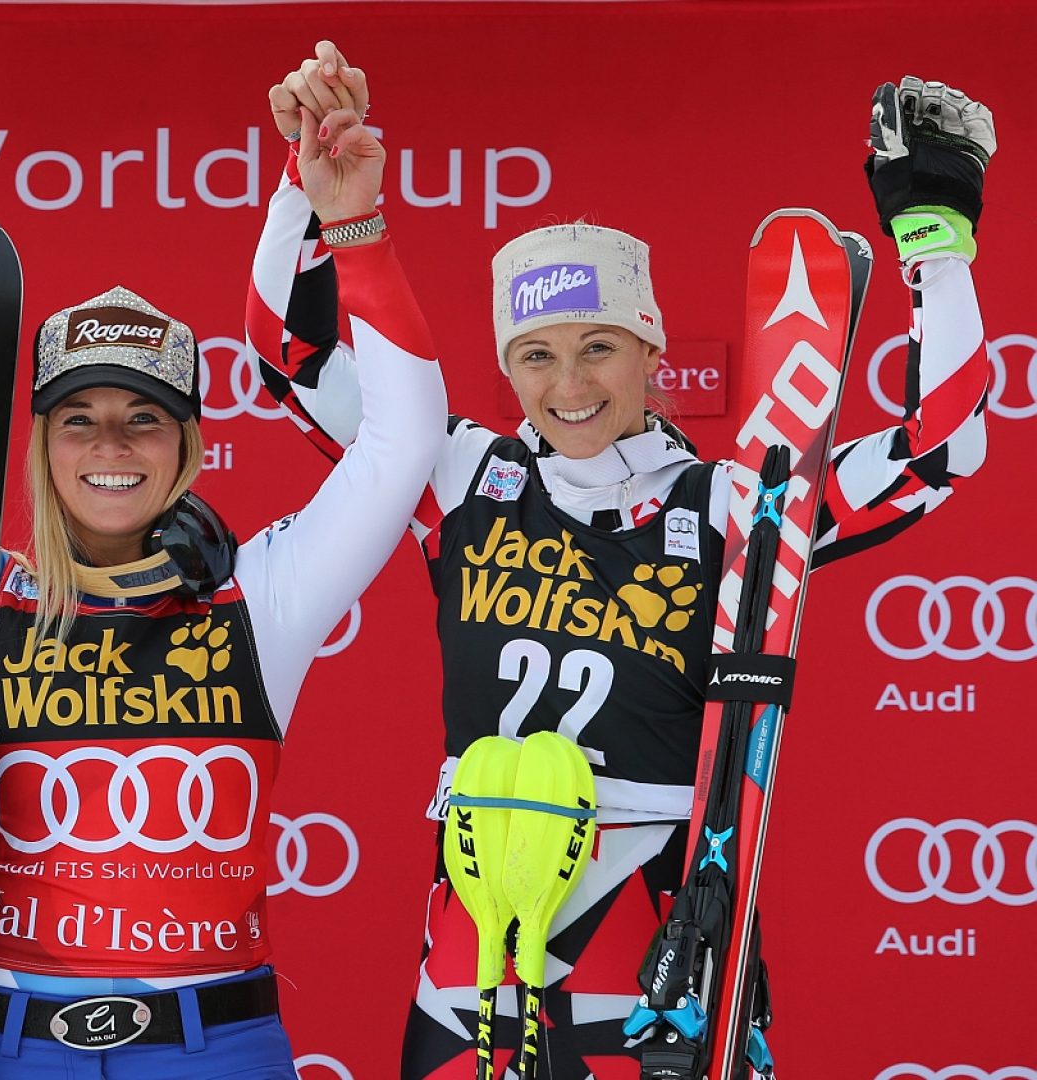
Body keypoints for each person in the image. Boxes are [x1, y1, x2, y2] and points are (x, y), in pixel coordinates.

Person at [251, 47, 994, 1079]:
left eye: (600, 345)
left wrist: (935, 243)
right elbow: (289, 358)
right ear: (507, 366)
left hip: (656, 956)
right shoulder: (459, 474)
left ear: (652, 350)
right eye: (538, 354)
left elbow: (937, 449)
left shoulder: (738, 502)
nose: (570, 384)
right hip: (472, 958)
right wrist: (311, 189)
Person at [0, 23, 449, 1076]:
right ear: (39, 442)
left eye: (145, 418)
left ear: (190, 446)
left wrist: (351, 223)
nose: (111, 445)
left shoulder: (260, 599)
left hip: (215, 1039)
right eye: (79, 419)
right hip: (2, 1039)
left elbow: (403, 445)